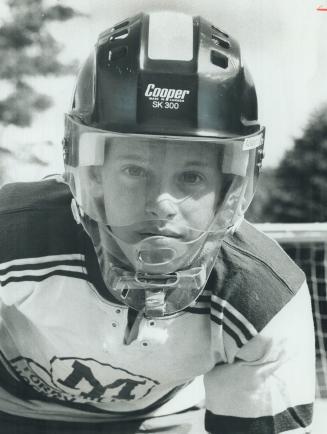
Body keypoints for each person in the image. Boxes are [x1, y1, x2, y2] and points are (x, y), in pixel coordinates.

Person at [0, 10, 315, 434]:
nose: (162, 203)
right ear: (92, 174)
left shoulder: (263, 296)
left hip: (159, 422)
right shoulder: (10, 238)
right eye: (134, 170)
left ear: (229, 188)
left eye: (191, 176)